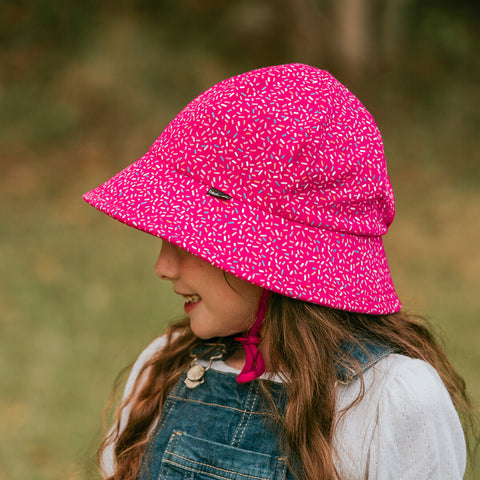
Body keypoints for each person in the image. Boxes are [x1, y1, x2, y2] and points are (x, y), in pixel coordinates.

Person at [83, 63, 471, 480]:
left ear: (275, 256)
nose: (163, 267)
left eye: (189, 239)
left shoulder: (388, 401)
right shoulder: (162, 369)